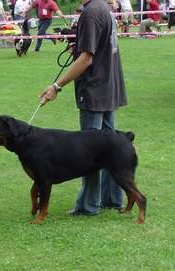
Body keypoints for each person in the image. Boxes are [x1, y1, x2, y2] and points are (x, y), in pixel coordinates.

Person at [38, 0, 127, 216]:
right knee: (110, 147)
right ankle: (112, 198)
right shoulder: (103, 7)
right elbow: (95, 48)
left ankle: (88, 205)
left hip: (94, 90)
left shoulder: (90, 13)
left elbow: (87, 59)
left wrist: (56, 86)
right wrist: (77, 47)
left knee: (89, 150)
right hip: (108, 86)